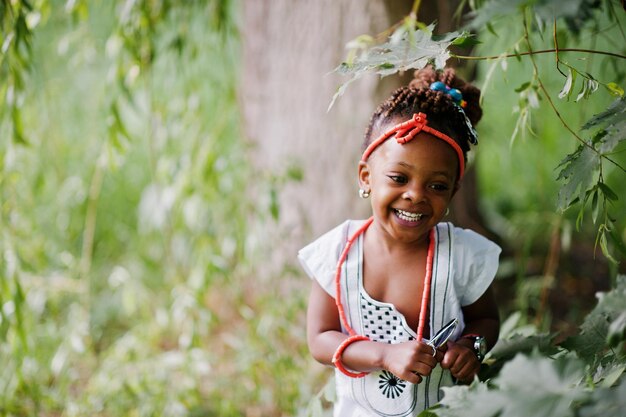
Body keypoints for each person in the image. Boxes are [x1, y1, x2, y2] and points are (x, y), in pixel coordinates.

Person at [298, 66, 501, 416]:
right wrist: (382, 354)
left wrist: (472, 347)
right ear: (366, 177)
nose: (415, 195)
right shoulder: (337, 253)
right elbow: (320, 339)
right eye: (398, 177)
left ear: (453, 191)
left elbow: (487, 322)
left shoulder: (462, 256)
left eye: (437, 186)